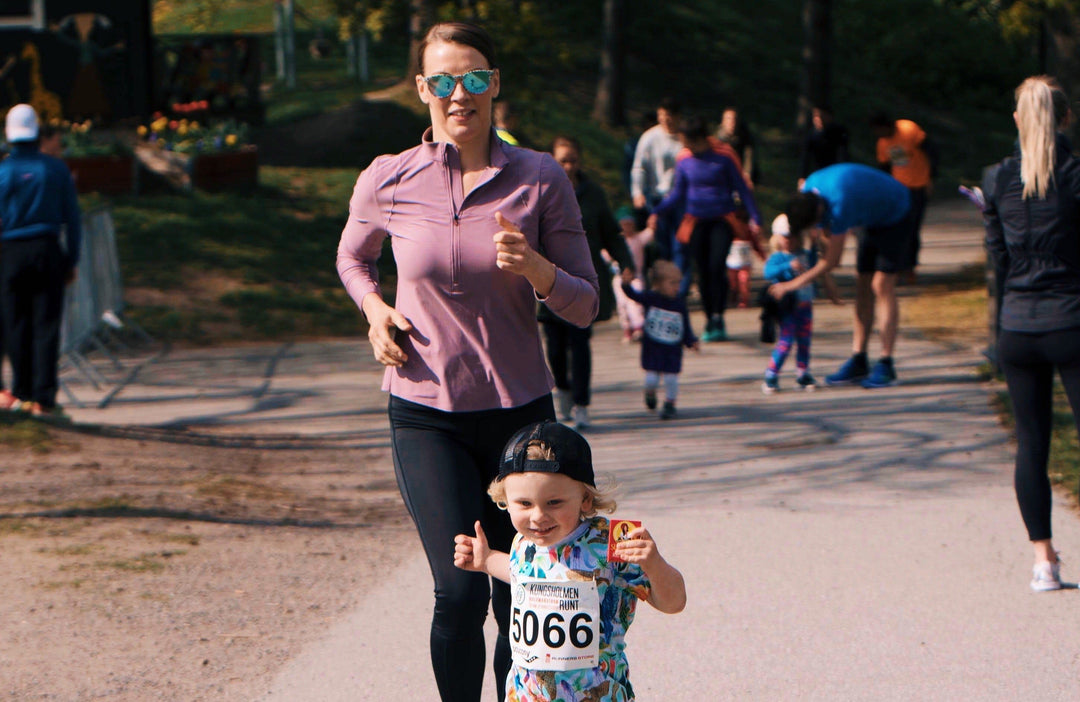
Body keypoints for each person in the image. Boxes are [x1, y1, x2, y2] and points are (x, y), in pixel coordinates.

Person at [335, 22, 599, 702]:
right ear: (424, 89)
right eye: (445, 81)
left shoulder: (540, 179)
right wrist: (374, 311)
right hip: (426, 414)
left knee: (524, 592)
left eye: (476, 79)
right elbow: (352, 257)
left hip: (521, 421)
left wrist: (536, 268)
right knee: (459, 591)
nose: (461, 94)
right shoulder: (388, 177)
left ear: (495, 86)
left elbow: (584, 305)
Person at [453, 419, 686, 700]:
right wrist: (487, 560)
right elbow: (521, 573)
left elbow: (673, 603)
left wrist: (654, 563)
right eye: (524, 504)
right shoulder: (522, 544)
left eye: (554, 503)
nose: (538, 516)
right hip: (528, 694)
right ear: (505, 500)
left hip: (596, 693)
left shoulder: (609, 544)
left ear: (585, 499)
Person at [983, 75, 1080, 591]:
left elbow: (997, 258)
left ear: (1019, 118)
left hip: (1018, 325)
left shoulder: (998, 179)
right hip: (1071, 318)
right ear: (1064, 117)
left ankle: (1043, 561)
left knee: (1031, 445)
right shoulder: (1075, 175)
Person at [773, 163, 911, 388]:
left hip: (896, 211)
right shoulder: (808, 190)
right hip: (869, 217)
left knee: (881, 285)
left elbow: (831, 261)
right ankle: (859, 360)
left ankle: (886, 363)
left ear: (818, 213)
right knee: (863, 284)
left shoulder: (839, 205)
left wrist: (792, 285)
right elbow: (820, 248)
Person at [541, 135, 634, 430]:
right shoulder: (540, 190)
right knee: (555, 348)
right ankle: (564, 389)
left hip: (583, 282)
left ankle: (582, 403)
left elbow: (610, 232)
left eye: (572, 160)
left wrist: (626, 261)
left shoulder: (593, 193)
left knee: (580, 345)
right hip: (548, 280)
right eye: (561, 161)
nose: (567, 166)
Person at [650, 115, 762, 342]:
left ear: (698, 138)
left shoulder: (725, 155)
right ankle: (710, 318)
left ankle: (719, 316)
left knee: (716, 266)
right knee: (702, 271)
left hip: (722, 220)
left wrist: (756, 218)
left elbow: (742, 187)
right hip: (696, 221)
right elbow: (678, 193)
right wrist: (657, 211)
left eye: (685, 140)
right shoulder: (684, 159)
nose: (683, 145)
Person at [0, 104, 81, 417]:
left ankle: (21, 393)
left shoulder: (3, 171)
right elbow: (72, 219)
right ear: (36, 133)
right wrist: (71, 259)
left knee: (15, 324)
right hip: (47, 249)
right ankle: (45, 399)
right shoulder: (56, 169)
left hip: (10, 254)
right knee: (46, 324)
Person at [620, 260, 700, 419]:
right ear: (659, 284)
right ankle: (650, 394)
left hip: (672, 349)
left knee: (671, 378)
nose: (677, 287)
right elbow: (634, 295)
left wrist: (691, 340)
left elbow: (684, 325)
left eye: (678, 283)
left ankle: (670, 403)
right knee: (651, 379)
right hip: (653, 348)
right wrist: (626, 284)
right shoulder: (651, 298)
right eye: (672, 283)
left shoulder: (679, 304)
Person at [870, 111, 937, 277]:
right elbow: (884, 169)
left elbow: (932, 151)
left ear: (886, 126)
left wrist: (931, 178)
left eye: (879, 130)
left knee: (913, 228)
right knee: (898, 228)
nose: (879, 135)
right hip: (898, 191)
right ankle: (898, 266)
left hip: (919, 186)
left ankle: (910, 266)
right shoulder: (883, 143)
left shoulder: (908, 129)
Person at [761, 214, 817, 394]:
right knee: (786, 341)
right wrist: (788, 267)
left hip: (805, 305)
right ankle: (771, 374)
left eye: (792, 236)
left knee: (804, 341)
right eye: (785, 236)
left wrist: (816, 243)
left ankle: (803, 373)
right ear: (777, 238)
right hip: (788, 307)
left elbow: (816, 265)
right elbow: (768, 272)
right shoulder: (777, 257)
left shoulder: (805, 255)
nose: (789, 240)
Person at [630, 97, 685, 269]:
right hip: (657, 197)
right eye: (660, 115)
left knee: (680, 245)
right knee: (662, 245)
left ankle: (679, 288)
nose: (664, 119)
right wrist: (637, 191)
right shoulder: (650, 137)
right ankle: (664, 286)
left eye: (668, 115)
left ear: (677, 116)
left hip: (682, 199)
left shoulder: (685, 137)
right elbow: (639, 167)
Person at [610, 206, 651, 343]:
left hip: (635, 276)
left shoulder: (638, 238)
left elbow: (651, 231)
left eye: (629, 224)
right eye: (624, 224)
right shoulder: (614, 243)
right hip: (619, 277)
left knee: (636, 301)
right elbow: (604, 254)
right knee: (622, 303)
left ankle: (638, 326)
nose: (627, 227)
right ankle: (627, 328)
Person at [799, 104, 848, 185]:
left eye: (822, 116)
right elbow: (805, 157)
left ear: (830, 116)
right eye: (816, 116)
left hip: (836, 172)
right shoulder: (811, 135)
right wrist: (802, 177)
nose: (819, 119)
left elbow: (843, 154)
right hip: (818, 173)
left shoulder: (839, 132)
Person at [716, 106, 757, 186]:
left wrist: (747, 174)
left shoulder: (745, 137)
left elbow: (748, 156)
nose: (732, 123)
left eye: (734, 119)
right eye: (728, 119)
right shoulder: (717, 139)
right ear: (723, 122)